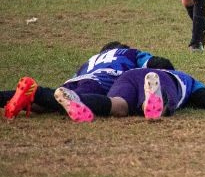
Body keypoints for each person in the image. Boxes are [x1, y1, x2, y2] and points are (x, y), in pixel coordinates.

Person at [2, 42, 174, 120]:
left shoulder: (91, 59)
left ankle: (8, 97)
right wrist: (171, 77)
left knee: (46, 106)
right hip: (100, 81)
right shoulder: (130, 53)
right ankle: (35, 91)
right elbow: (158, 64)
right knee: (67, 102)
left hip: (76, 80)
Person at [53, 68, 205, 122]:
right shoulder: (183, 76)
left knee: (118, 104)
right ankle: (152, 102)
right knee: (158, 104)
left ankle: (79, 100)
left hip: (128, 75)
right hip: (166, 79)